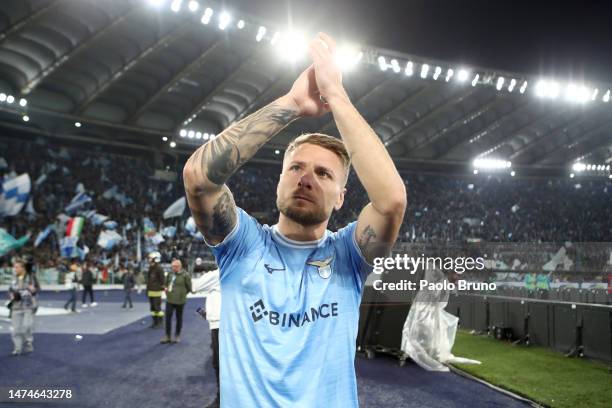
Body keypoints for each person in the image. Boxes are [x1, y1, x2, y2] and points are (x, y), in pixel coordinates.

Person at [183, 33, 406, 407]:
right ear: (279, 181)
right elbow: (198, 179)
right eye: (296, 168)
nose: (305, 178)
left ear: (341, 198)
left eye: (323, 174)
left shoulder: (349, 256)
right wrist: (292, 104)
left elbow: (391, 201)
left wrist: (337, 96)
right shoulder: (242, 246)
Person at [191, 268, 221, 408]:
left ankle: (222, 400)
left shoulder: (219, 273)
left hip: (220, 325)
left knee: (219, 363)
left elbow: (196, 285)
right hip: (226, 323)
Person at [8, 259, 40, 355]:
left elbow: (38, 288)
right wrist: (11, 295)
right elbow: (10, 290)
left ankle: (28, 341)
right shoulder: (14, 278)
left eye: (17, 267)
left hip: (28, 306)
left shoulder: (31, 277)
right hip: (16, 306)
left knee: (27, 326)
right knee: (16, 329)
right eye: (15, 267)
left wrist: (33, 290)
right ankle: (17, 348)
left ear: (23, 268)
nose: (15, 269)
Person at [160, 259, 192, 344]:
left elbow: (189, 288)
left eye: (174, 266)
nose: (173, 268)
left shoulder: (185, 275)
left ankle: (177, 336)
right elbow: (165, 284)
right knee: (168, 319)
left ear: (179, 266)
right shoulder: (170, 274)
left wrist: (182, 293)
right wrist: (165, 288)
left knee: (179, 319)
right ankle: (167, 336)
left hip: (180, 301)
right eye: (172, 266)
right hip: (170, 299)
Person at [146, 251, 165, 328]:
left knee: (157, 308)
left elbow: (162, 280)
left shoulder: (159, 268)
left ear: (155, 259)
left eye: (150, 258)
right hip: (150, 291)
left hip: (157, 291)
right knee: (152, 308)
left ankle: (160, 322)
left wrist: (161, 288)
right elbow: (149, 280)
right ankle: (155, 322)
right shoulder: (151, 268)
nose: (149, 259)